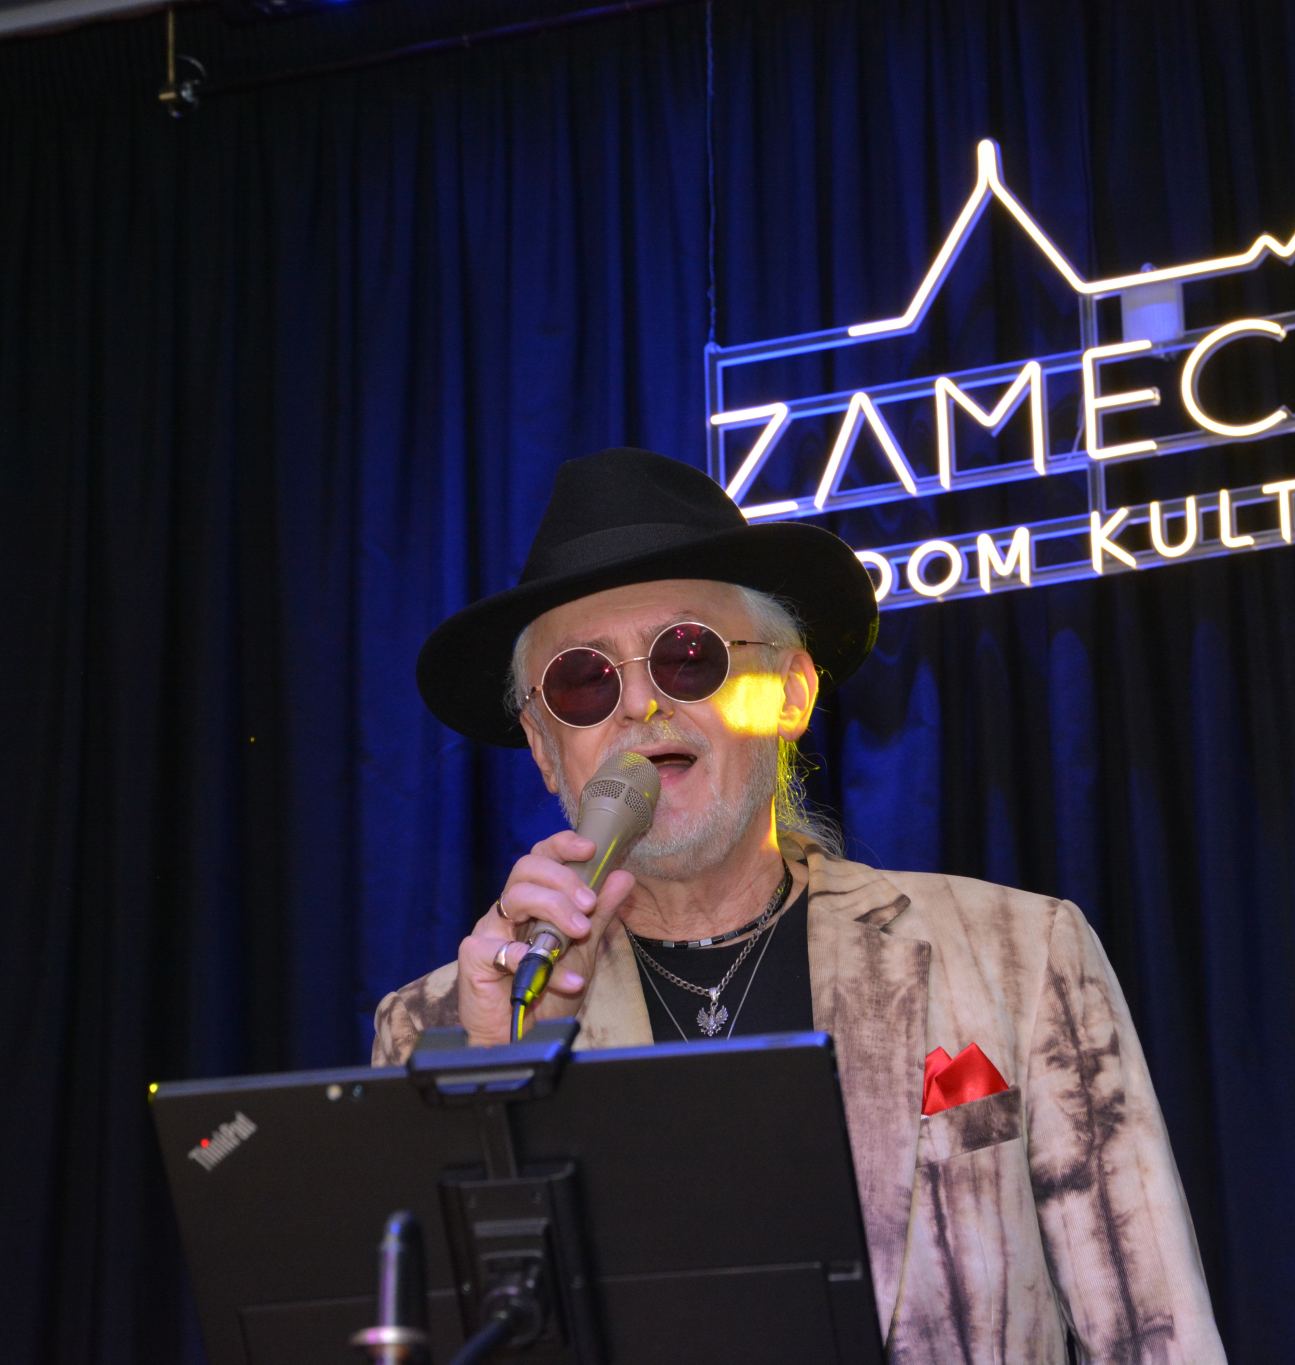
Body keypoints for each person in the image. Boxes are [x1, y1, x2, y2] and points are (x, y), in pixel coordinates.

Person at [372, 448, 1224, 1362]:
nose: (642, 705)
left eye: (688, 656)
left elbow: (1157, 1334)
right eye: (586, 681)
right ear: (546, 749)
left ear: (788, 692)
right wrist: (506, 1067)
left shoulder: (1021, 952)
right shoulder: (439, 1030)